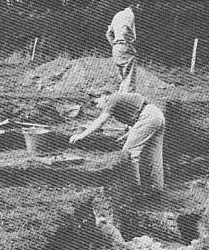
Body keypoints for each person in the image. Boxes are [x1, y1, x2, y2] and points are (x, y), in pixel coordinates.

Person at [70, 91, 165, 238]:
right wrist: (128, 134)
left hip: (148, 117)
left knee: (129, 153)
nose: (99, 107)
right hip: (155, 115)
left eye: (97, 103)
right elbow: (137, 116)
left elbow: (101, 121)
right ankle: (156, 191)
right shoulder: (119, 99)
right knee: (152, 156)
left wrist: (82, 135)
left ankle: (135, 189)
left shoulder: (112, 99)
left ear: (102, 96)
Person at [106, 2, 140, 93]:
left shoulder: (118, 15)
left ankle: (121, 101)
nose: (140, 9)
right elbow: (125, 31)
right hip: (125, 46)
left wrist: (114, 44)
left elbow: (108, 34)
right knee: (129, 79)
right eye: (139, 6)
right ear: (135, 5)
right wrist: (129, 45)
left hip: (116, 48)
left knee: (123, 80)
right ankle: (129, 104)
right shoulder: (129, 14)